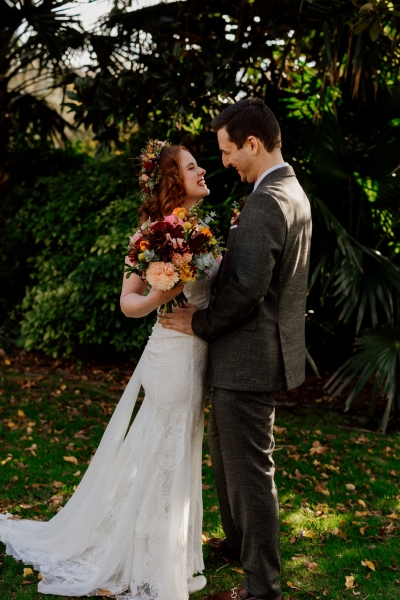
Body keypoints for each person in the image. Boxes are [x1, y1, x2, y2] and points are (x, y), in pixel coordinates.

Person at [0, 144, 216, 600]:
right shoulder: (151, 235)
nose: (202, 170)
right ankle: (146, 557)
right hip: (171, 356)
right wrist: (160, 297)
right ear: (173, 180)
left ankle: (168, 550)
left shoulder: (202, 231)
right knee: (164, 450)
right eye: (192, 166)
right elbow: (128, 303)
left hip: (198, 354)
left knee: (178, 447)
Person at [159, 98, 312, 600]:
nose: (224, 162)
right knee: (228, 460)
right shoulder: (288, 190)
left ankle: (262, 586)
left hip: (248, 357)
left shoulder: (267, 200)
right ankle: (238, 543)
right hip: (250, 355)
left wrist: (199, 322)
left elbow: (248, 288)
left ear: (251, 143)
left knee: (249, 473)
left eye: (228, 151)